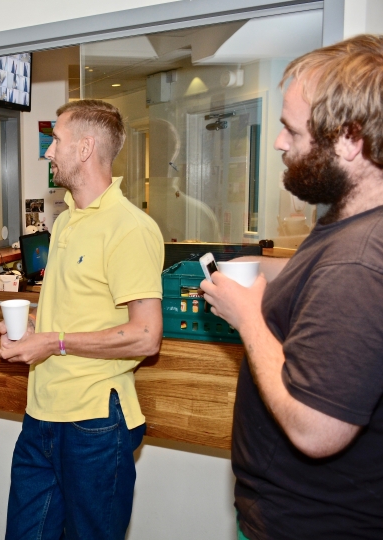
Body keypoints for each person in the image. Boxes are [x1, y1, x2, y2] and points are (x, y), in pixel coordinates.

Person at [201, 34, 383, 539]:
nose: (279, 143)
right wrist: (266, 274)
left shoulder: (361, 260)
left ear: (349, 139)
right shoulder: (351, 222)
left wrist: (249, 318)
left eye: (290, 129)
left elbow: (315, 428)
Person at [0, 100, 164, 539]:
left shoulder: (130, 227)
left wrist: (53, 342)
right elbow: (73, 310)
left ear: (86, 147)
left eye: (56, 141)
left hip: (94, 421)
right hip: (41, 413)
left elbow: (147, 336)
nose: (48, 152)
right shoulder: (67, 219)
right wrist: (33, 333)